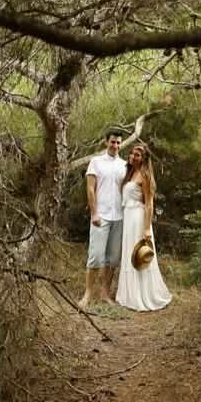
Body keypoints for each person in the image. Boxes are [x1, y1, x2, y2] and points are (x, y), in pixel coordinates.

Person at [116, 143, 172, 311]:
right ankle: (129, 294)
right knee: (129, 253)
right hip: (128, 218)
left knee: (140, 253)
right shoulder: (130, 173)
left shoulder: (145, 175)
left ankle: (144, 294)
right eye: (132, 154)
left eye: (137, 155)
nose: (133, 157)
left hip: (139, 219)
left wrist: (147, 228)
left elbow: (149, 204)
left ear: (144, 158)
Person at [78, 129, 126, 309]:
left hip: (119, 217)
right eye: (113, 142)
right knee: (96, 256)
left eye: (118, 143)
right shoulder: (96, 162)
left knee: (113, 259)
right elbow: (90, 189)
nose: (115, 145)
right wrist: (94, 213)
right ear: (106, 142)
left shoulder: (124, 165)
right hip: (101, 216)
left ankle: (105, 293)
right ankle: (88, 294)